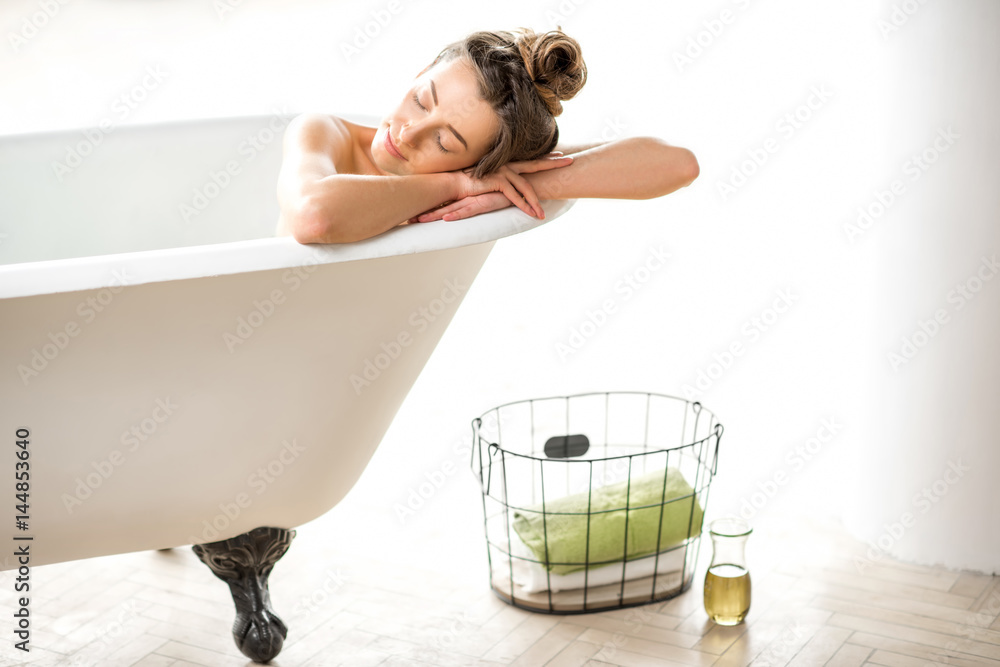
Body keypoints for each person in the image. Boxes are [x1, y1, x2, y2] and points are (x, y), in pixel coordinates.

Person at [275, 26, 699, 244]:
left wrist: (512, 184)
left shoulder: (489, 175)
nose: (408, 132)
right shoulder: (324, 132)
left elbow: (678, 164)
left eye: (445, 143)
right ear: (423, 70)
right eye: (423, 100)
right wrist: (457, 183)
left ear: (483, 163)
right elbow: (314, 216)